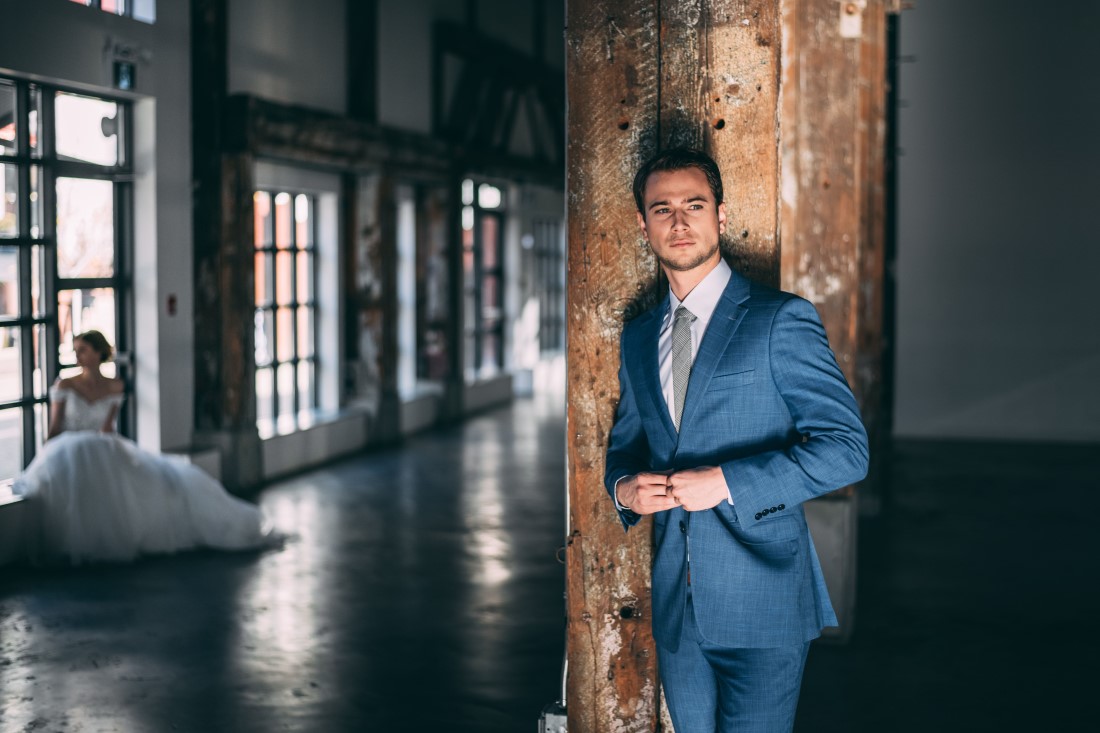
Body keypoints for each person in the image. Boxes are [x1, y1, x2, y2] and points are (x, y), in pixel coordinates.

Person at [604, 148, 869, 732]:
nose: (679, 222)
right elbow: (625, 446)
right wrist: (625, 489)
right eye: (662, 208)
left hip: (764, 596)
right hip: (678, 605)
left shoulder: (779, 319)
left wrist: (725, 482)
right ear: (642, 223)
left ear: (720, 217)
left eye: (694, 206)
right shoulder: (640, 336)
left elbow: (847, 449)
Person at [14, 330, 280, 565]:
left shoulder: (115, 386)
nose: (78, 355)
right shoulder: (65, 384)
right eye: (76, 350)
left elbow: (107, 428)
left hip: (101, 448)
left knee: (151, 487)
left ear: (97, 352)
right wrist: (44, 457)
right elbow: (55, 427)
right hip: (68, 451)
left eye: (83, 350)